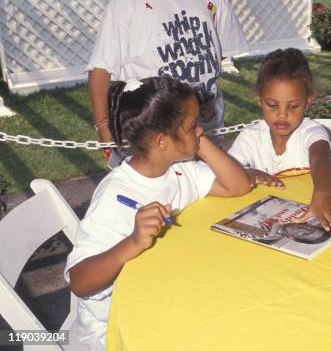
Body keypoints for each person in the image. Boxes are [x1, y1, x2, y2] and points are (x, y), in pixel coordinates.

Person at [64, 77, 251, 351]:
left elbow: (238, 185)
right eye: (192, 126)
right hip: (115, 328)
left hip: (162, 294)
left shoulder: (178, 169)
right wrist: (133, 242)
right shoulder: (117, 196)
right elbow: (80, 282)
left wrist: (197, 140)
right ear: (163, 141)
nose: (199, 130)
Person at [88, 0, 249, 165]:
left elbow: (220, 51)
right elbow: (100, 69)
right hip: (154, 138)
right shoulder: (126, 2)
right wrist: (103, 126)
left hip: (205, 130)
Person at [228, 48, 331, 231]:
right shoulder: (250, 137)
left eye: (293, 106)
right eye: (272, 105)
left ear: (308, 100)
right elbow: (226, 172)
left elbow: (320, 158)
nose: (282, 114)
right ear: (259, 99)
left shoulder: (312, 132)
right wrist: (245, 173)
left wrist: (322, 195)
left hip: (308, 214)